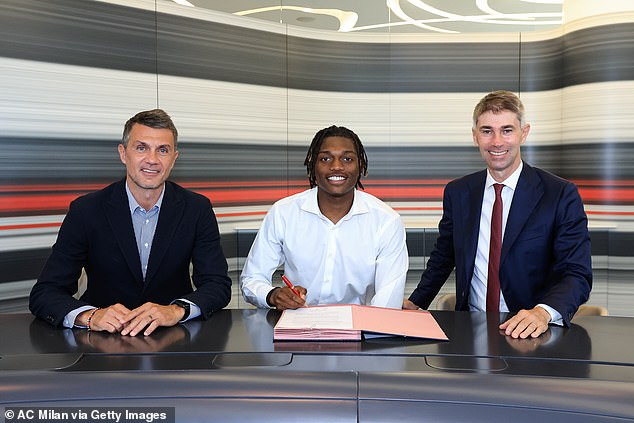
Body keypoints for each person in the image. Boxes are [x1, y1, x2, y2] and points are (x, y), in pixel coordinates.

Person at [403, 90, 592, 339]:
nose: (497, 142)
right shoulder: (458, 192)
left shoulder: (559, 194)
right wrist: (417, 301)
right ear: (475, 136)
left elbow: (577, 273)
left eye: (507, 130)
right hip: (469, 330)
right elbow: (445, 254)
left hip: (532, 333)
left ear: (524, 132)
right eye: (487, 131)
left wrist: (542, 313)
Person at [29, 109, 232, 336]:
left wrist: (176, 310)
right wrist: (90, 316)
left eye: (162, 150)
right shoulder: (86, 210)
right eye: (141, 147)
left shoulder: (197, 209)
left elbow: (217, 285)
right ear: (123, 153)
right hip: (102, 343)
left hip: (173, 341)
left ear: (174, 158)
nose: (152, 160)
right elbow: (46, 292)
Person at [241, 125, 408, 310]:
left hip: (361, 329)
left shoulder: (386, 221)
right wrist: (274, 295)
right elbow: (251, 279)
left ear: (360, 165)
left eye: (347, 158)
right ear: (313, 165)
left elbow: (387, 299)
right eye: (325, 158)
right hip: (296, 326)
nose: (336, 166)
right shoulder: (283, 212)